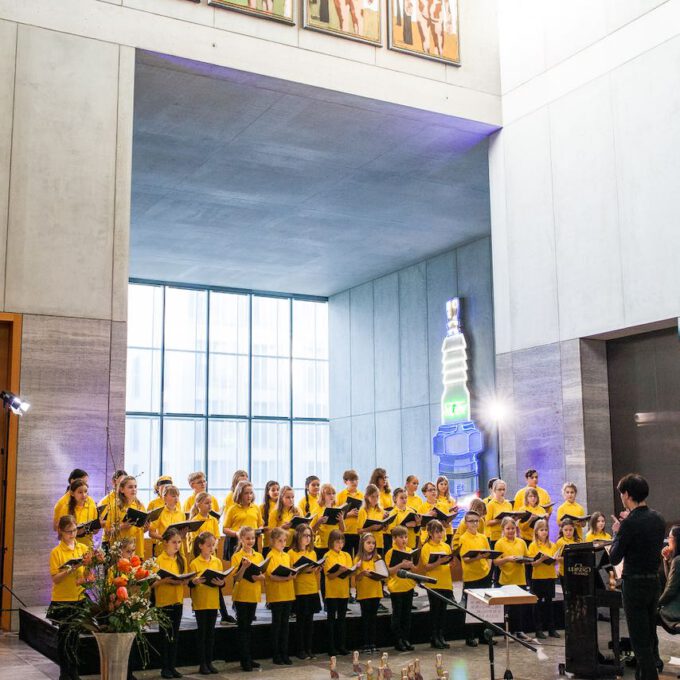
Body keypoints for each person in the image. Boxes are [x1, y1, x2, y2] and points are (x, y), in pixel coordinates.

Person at [609, 474, 666, 680]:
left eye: (622, 494)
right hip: (654, 582)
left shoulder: (629, 524)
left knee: (640, 643)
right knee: (649, 636)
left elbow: (615, 557)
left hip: (634, 584)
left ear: (627, 495)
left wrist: (617, 533)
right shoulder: (658, 518)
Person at [48, 515, 88, 680]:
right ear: (61, 532)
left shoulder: (83, 548)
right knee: (64, 639)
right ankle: (65, 673)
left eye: (74, 530)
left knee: (75, 638)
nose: (72, 534)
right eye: (69, 532)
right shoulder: (56, 552)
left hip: (79, 597)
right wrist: (70, 570)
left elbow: (87, 573)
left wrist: (86, 577)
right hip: (63, 598)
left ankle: (75, 672)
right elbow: (55, 579)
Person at [189, 531, 226, 675]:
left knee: (211, 635)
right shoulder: (194, 563)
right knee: (202, 634)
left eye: (213, 545)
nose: (211, 548)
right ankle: (202, 663)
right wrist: (195, 581)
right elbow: (190, 585)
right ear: (200, 546)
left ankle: (209, 662)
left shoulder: (217, 562)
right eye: (209, 545)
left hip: (213, 602)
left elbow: (221, 582)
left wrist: (221, 582)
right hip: (200, 603)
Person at [152, 527, 187, 679]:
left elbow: (185, 579)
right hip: (163, 602)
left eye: (179, 542)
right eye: (174, 542)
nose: (177, 545)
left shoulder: (182, 559)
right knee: (165, 636)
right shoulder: (158, 560)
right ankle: (164, 667)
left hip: (177, 600)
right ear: (165, 542)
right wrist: (164, 581)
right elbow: (152, 584)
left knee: (175, 635)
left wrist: (184, 580)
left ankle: (172, 666)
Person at [231, 526, 265, 672]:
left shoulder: (259, 556)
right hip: (241, 596)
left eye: (252, 538)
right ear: (241, 539)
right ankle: (244, 660)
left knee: (249, 628)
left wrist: (261, 577)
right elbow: (237, 578)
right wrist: (244, 567)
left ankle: (249, 657)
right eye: (247, 538)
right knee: (242, 628)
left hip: (253, 595)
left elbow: (262, 575)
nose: (250, 541)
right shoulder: (237, 556)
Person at [458, 510, 492, 647]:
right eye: (472, 521)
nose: (475, 523)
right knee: (471, 608)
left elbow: (489, 554)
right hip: (471, 577)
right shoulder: (463, 538)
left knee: (484, 607)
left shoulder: (483, 537)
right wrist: (477, 557)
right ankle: (470, 636)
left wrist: (488, 567)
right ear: (466, 523)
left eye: (477, 521)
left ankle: (483, 635)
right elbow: (465, 558)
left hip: (484, 574)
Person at [288, 523, 322, 660]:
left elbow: (313, 572)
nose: (308, 538)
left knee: (310, 622)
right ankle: (300, 649)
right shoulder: (291, 553)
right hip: (300, 590)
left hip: (312, 588)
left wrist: (316, 570)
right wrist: (304, 570)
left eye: (310, 536)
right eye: (305, 536)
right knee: (300, 622)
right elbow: (291, 571)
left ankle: (309, 648)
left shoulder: (312, 552)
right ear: (298, 537)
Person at [419, 519, 453, 649]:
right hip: (433, 584)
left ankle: (441, 636)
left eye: (441, 531)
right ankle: (434, 637)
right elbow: (427, 567)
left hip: (445, 582)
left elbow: (449, 563)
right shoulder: (426, 547)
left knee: (443, 612)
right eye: (437, 532)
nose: (440, 534)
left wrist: (450, 562)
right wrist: (439, 561)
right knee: (435, 612)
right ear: (430, 533)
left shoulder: (446, 546)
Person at [493, 518, 529, 640]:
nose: (510, 531)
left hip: (520, 579)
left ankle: (519, 631)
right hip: (506, 580)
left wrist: (523, 560)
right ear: (503, 529)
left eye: (512, 528)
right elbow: (496, 562)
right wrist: (507, 559)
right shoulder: (499, 543)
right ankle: (507, 633)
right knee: (507, 608)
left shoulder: (521, 542)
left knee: (519, 608)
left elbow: (528, 558)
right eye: (508, 528)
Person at [265, 527, 296, 665]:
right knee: (277, 625)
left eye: (284, 541)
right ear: (272, 541)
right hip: (277, 594)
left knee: (285, 625)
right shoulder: (270, 555)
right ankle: (276, 654)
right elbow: (271, 575)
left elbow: (290, 572)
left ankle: (285, 653)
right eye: (280, 541)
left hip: (288, 593)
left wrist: (293, 574)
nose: (283, 543)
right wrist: (286, 578)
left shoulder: (287, 556)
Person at [385, 525, 416, 651]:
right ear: (394, 538)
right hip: (396, 587)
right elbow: (389, 571)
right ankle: (398, 640)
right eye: (401, 537)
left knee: (407, 615)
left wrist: (412, 566)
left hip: (408, 585)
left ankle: (406, 638)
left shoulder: (410, 550)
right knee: (397, 614)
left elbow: (415, 569)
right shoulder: (390, 552)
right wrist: (401, 565)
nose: (404, 540)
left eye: (406, 537)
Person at [527, 519, 559, 639]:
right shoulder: (533, 545)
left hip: (550, 576)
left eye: (546, 530)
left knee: (550, 604)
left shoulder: (552, 545)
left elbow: (555, 562)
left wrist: (553, 560)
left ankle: (551, 629)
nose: (544, 532)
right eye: (541, 530)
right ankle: (538, 629)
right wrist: (541, 559)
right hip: (538, 578)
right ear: (536, 532)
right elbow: (533, 564)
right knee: (538, 605)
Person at [323, 528, 353, 656]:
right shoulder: (327, 555)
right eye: (337, 542)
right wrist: (340, 571)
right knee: (331, 620)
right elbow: (329, 575)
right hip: (332, 592)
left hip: (343, 592)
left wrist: (349, 570)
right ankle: (331, 647)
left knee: (342, 619)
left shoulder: (346, 555)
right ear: (331, 542)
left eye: (342, 542)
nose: (340, 544)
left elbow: (350, 572)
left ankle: (342, 645)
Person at [354, 532, 383, 654]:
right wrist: (361, 572)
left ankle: (373, 643)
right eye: (368, 543)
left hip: (375, 592)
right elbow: (356, 578)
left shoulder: (378, 558)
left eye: (373, 543)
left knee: (373, 618)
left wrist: (376, 574)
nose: (371, 545)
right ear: (362, 544)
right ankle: (365, 643)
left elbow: (382, 575)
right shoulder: (358, 559)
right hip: (364, 592)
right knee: (365, 618)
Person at [107, 475, 147, 557]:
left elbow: (142, 530)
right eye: (130, 487)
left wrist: (146, 527)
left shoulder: (140, 505)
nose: (134, 489)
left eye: (135, 487)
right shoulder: (115, 506)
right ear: (122, 490)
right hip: (121, 551)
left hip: (137, 549)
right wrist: (121, 527)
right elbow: (108, 532)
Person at [336, 469, 363, 558]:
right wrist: (349, 514)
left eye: (356, 480)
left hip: (358, 532)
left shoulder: (362, 495)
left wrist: (361, 514)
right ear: (345, 481)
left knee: (357, 557)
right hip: (345, 532)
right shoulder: (340, 495)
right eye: (352, 480)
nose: (354, 482)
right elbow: (335, 515)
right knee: (346, 557)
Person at [67, 479, 99, 549]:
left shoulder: (91, 505)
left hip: (88, 548)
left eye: (85, 491)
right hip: (72, 548)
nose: (84, 495)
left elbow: (95, 531)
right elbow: (64, 533)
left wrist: (98, 526)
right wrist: (78, 531)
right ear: (72, 493)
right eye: (80, 492)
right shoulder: (66, 509)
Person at [658, 525, 680, 624]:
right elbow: (670, 580)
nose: (668, 540)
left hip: (677, 607)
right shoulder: (676, 560)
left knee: (649, 613)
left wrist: (657, 603)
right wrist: (667, 559)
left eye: (669, 537)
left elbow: (670, 589)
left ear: (676, 540)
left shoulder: (678, 561)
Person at [357, 484, 387, 556]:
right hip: (367, 544)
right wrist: (371, 528)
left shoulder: (381, 511)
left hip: (379, 543)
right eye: (372, 496)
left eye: (377, 496)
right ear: (367, 497)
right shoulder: (363, 511)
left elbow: (385, 529)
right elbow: (359, 531)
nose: (375, 499)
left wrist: (386, 522)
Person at [260, 480, 280, 557]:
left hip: (281, 541)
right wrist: (268, 528)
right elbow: (260, 526)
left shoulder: (283, 506)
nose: (276, 492)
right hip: (268, 542)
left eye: (278, 490)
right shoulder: (262, 507)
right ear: (268, 492)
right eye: (273, 490)